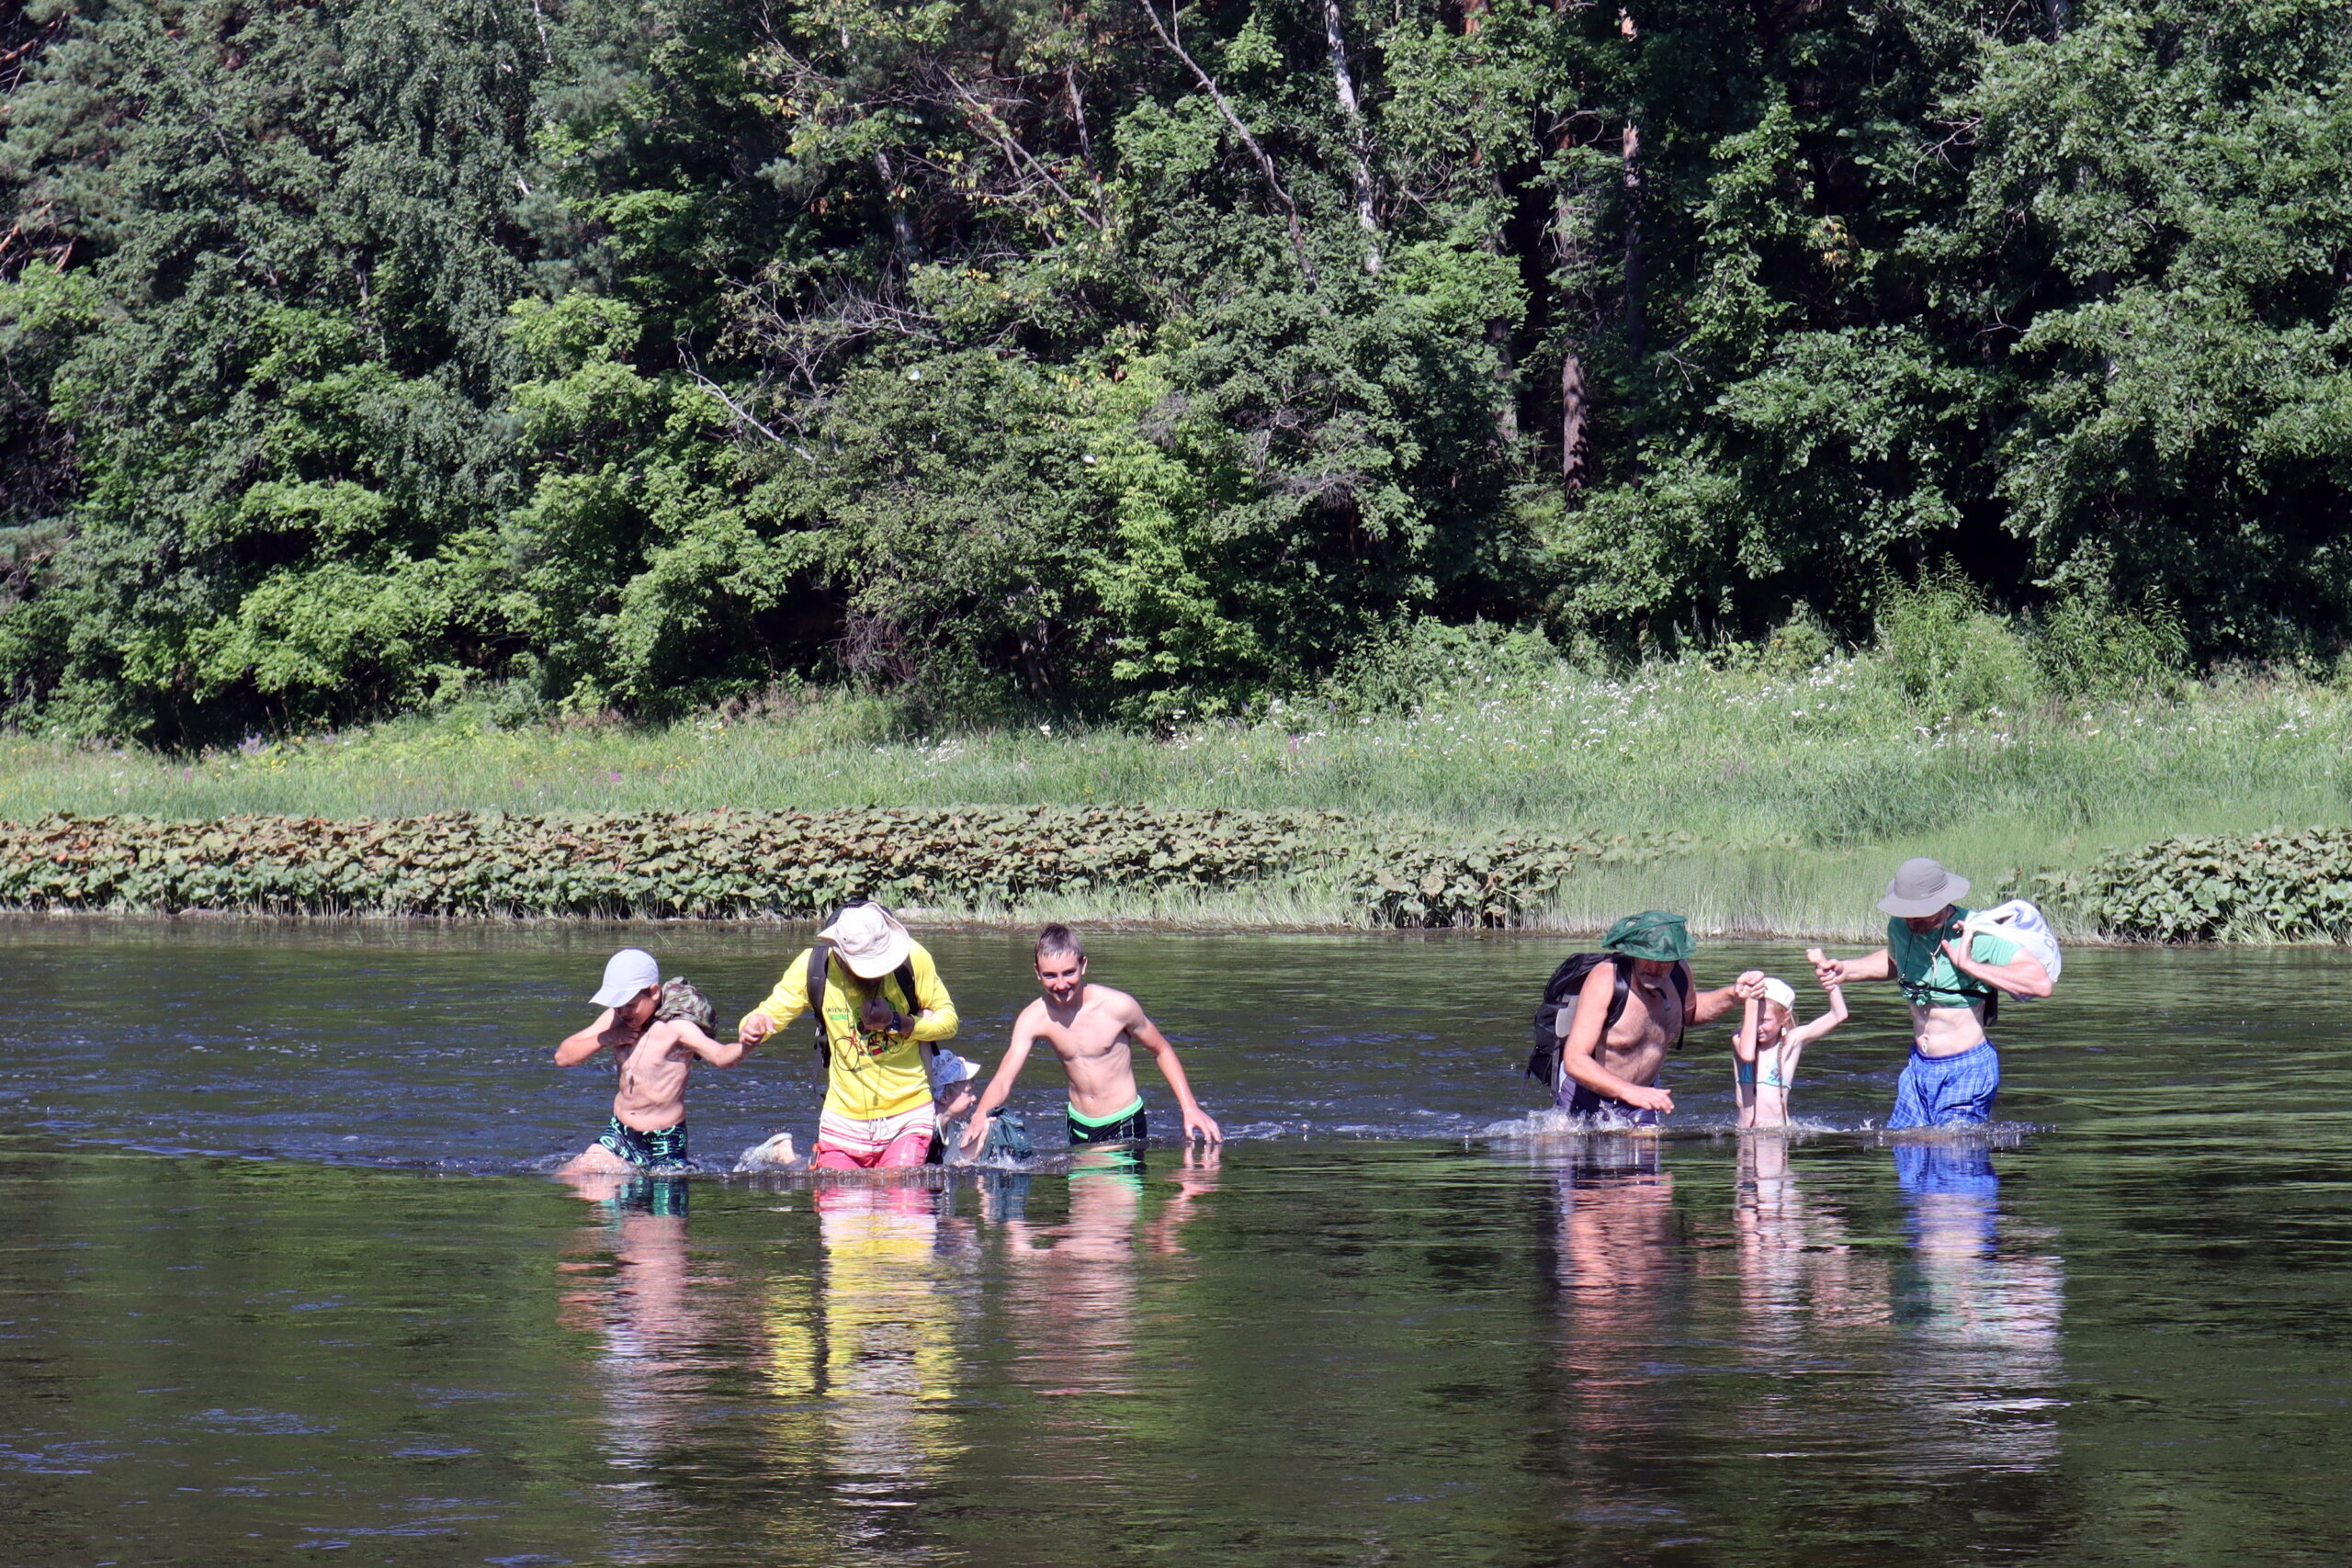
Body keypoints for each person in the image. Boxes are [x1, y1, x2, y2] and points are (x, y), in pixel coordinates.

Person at [1811, 858, 2053, 1129]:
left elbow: (2039, 983)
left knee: (1952, 1160)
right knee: (1906, 1155)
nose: (1912, 918)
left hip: (1966, 1069)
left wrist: (1969, 964)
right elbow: (1895, 962)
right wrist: (1847, 969)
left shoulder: (1976, 934)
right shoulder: (1900, 927)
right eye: (1906, 910)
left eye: (1919, 911)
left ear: (1942, 902)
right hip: (1918, 1067)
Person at [961, 923, 1222, 1155]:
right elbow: (1004, 1079)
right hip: (1078, 1123)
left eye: (1069, 973)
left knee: (1118, 1207)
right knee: (1085, 1208)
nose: (1061, 984)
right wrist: (979, 1117)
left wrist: (1189, 1107)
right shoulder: (1034, 1018)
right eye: (1050, 976)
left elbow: (1161, 1049)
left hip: (1124, 1120)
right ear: (1037, 973)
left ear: (1083, 965)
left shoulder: (1118, 1007)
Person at [737, 902, 961, 1170]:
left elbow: (949, 1022)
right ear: (840, 955)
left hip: (908, 1113)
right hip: (842, 1119)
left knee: (902, 1201)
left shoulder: (913, 959)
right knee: (842, 1206)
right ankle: (784, 1153)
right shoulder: (814, 966)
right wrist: (753, 1027)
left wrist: (896, 1022)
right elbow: (767, 1014)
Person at [556, 948, 741, 1172]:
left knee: (654, 1205)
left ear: (653, 993)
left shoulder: (676, 1028)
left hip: (664, 1140)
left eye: (630, 1005)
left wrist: (748, 1044)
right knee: (573, 1176)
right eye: (618, 1005)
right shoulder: (615, 1020)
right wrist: (607, 1037)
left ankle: (771, 1151)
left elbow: (721, 1056)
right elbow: (563, 1057)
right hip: (620, 1132)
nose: (624, 1011)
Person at [1555, 910, 1743, 1127]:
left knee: (1646, 1147)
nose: (1654, 966)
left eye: (1664, 960)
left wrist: (1734, 994)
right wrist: (1630, 1091)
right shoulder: (1605, 979)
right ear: (1633, 953)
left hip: (1642, 1099)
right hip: (1586, 1095)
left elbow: (1690, 1012)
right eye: (1647, 957)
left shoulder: (1680, 971)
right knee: (1571, 1152)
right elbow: (1575, 1060)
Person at [1730, 969, 1847, 1129]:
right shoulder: (1739, 1039)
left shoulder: (1790, 1043)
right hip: (1744, 1137)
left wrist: (1829, 980)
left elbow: (1838, 1015)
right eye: (1753, 1019)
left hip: (1777, 1137)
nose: (1757, 1027)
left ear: (1784, 1018)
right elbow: (1747, 1052)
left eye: (1764, 1020)